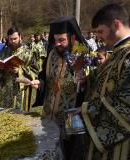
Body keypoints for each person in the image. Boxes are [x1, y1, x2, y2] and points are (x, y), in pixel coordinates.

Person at [30, 16, 89, 160]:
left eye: (62, 40)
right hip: (50, 115)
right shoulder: (52, 54)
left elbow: (91, 83)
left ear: (72, 37)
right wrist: (40, 82)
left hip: (71, 118)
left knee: (70, 153)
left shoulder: (82, 54)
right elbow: (45, 76)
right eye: (55, 40)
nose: (57, 44)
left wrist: (85, 80)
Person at [81, 3, 130, 160]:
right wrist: (83, 77)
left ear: (116, 24)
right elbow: (105, 80)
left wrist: (88, 110)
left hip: (121, 142)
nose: (98, 37)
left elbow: (126, 101)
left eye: (101, 31)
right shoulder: (117, 51)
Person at [0, 26, 36, 109]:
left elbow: (35, 71)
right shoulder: (4, 51)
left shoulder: (28, 53)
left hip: (21, 90)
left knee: (20, 119)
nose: (13, 41)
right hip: (5, 90)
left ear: (20, 37)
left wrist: (19, 71)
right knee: (4, 116)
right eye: (10, 39)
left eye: (15, 38)